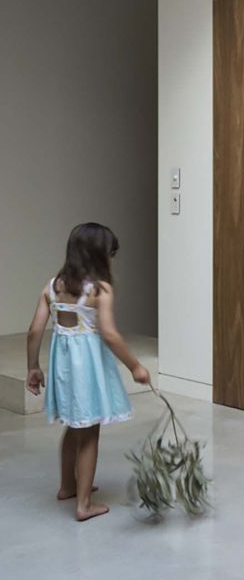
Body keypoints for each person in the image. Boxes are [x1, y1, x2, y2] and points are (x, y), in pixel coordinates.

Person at [25, 222, 150, 521]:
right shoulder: (100, 289)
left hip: (63, 368)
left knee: (73, 425)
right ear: (98, 255)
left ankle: (68, 486)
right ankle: (84, 505)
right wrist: (135, 366)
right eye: (110, 254)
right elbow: (110, 334)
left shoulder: (52, 286)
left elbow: (34, 331)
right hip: (88, 371)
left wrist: (33, 367)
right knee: (90, 432)